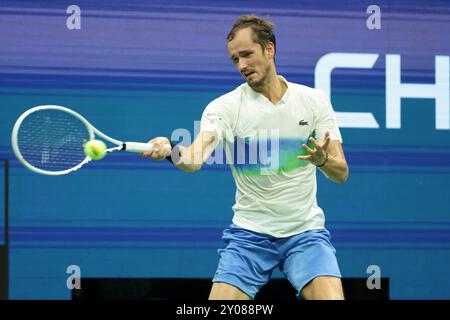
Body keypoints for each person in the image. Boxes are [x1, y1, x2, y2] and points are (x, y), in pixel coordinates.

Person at [142, 15, 349, 300]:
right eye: (234, 59)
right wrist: (171, 151)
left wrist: (324, 160)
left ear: (269, 49)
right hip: (250, 235)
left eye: (247, 55)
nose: (241, 66)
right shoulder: (224, 108)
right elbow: (193, 160)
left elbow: (341, 174)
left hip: (305, 232)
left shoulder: (313, 101)